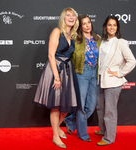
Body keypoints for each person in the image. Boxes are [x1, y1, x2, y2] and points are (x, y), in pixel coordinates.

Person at [33, 7, 79, 149]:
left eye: (74, 16)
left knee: (65, 106)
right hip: (55, 70)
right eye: (68, 15)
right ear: (63, 18)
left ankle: (57, 128)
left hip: (67, 70)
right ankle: (55, 136)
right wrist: (56, 77)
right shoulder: (57, 31)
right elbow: (51, 55)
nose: (71, 18)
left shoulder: (72, 35)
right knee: (56, 106)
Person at [95, 15, 136, 146]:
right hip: (100, 79)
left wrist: (119, 73)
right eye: (109, 25)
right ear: (105, 27)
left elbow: (132, 61)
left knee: (110, 111)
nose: (111, 27)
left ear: (117, 27)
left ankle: (109, 138)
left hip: (113, 82)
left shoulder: (121, 42)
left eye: (114, 25)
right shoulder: (103, 42)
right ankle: (103, 130)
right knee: (100, 108)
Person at [64, 14, 101, 142]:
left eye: (89, 22)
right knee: (81, 106)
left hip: (94, 73)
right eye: (84, 23)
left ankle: (70, 121)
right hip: (81, 73)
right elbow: (68, 56)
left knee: (90, 107)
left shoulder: (98, 39)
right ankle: (83, 134)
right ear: (80, 26)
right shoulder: (76, 39)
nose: (87, 26)